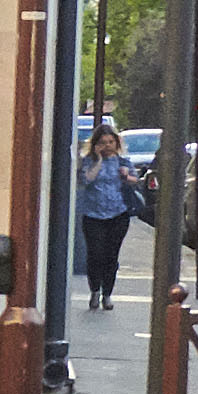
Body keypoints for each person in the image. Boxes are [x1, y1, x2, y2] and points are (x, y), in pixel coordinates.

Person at [75, 122, 138, 310]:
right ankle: (95, 290)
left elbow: (135, 181)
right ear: (96, 144)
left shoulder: (123, 162)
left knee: (111, 256)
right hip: (93, 214)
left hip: (118, 214)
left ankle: (107, 294)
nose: (107, 146)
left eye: (111, 142)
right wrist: (99, 160)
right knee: (95, 254)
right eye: (103, 142)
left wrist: (126, 177)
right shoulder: (88, 161)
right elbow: (86, 180)